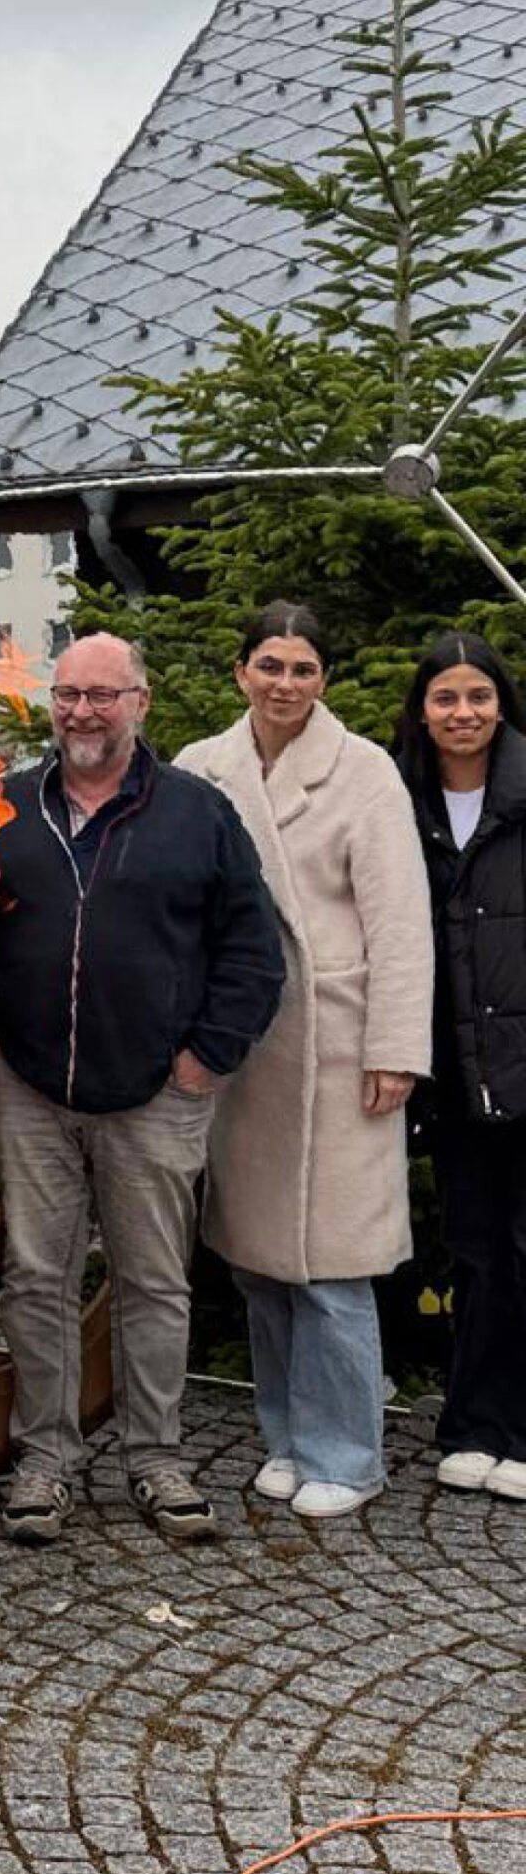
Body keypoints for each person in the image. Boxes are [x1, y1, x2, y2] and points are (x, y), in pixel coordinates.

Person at [0, 631, 283, 1546]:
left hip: (158, 1090)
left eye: (104, 695)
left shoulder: (196, 812)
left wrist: (207, 1057)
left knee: (152, 1280)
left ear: (139, 703)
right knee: (36, 1277)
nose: (83, 713)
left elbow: (253, 950)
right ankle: (46, 1461)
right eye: (68, 694)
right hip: (28, 1085)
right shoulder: (4, 807)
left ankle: (156, 1457)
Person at [175, 604, 430, 1520]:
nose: (286, 683)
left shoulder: (364, 773)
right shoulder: (202, 768)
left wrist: (397, 1048)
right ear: (240, 670)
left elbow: (401, 919)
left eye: (304, 669)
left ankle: (350, 1454)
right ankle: (286, 1436)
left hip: (339, 1041)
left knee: (331, 1265)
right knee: (257, 1259)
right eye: (270, 666)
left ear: (324, 678)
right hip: (246, 1045)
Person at [393, 632, 526, 1502]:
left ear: (501, 704)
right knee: (474, 1248)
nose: (463, 713)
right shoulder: (403, 800)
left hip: (523, 1059)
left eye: (478, 696)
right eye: (446, 698)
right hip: (450, 1063)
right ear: (425, 712)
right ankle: (472, 1422)